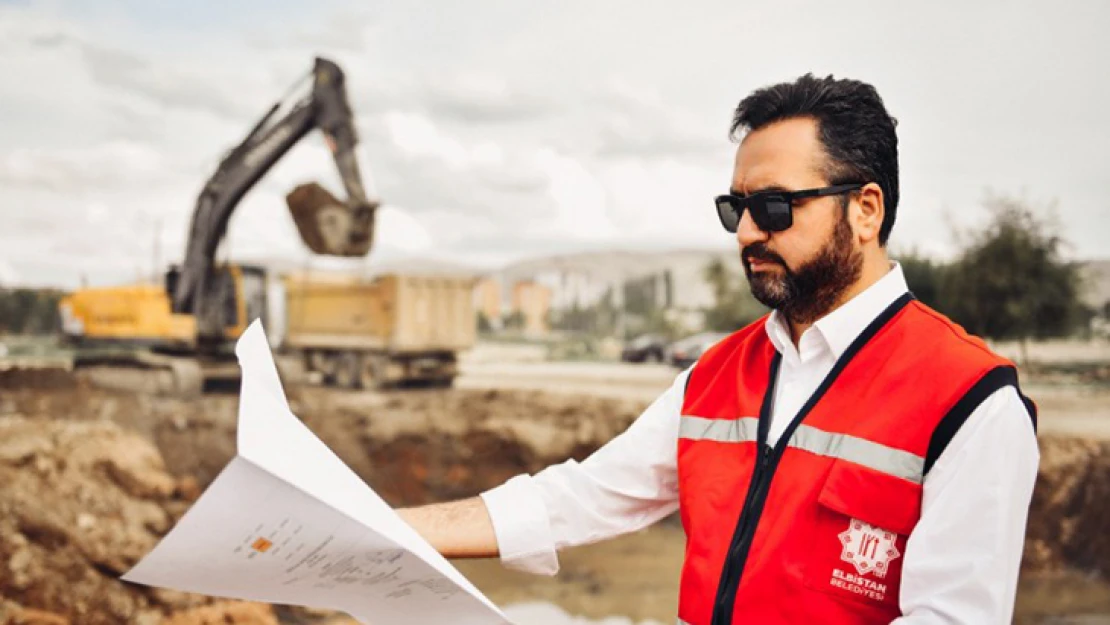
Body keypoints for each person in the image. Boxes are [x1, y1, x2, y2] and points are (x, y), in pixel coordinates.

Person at [397, 74, 1040, 624]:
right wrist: (387, 530)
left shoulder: (969, 399)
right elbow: (580, 499)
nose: (749, 234)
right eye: (737, 209)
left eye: (775, 207)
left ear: (865, 210)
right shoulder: (716, 374)